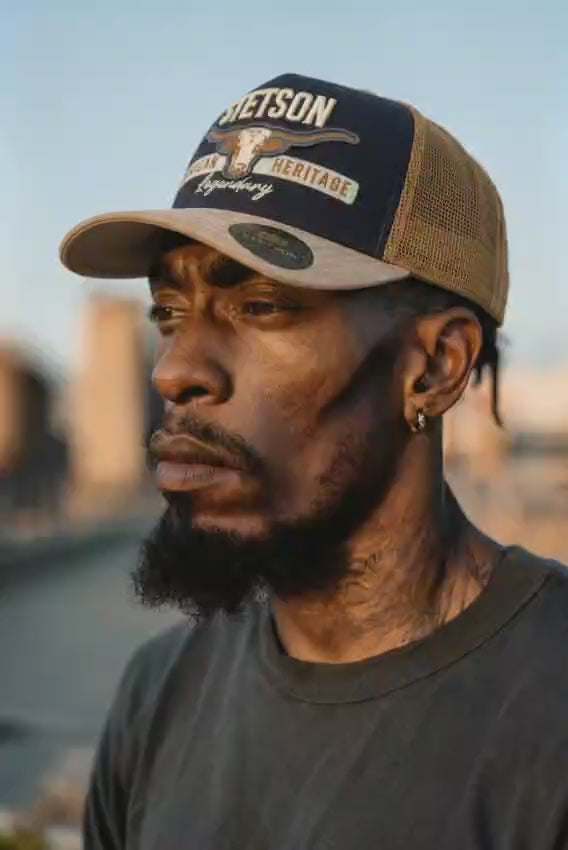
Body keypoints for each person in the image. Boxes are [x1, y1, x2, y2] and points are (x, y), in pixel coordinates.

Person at [60, 74, 568, 850]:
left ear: (435, 367)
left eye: (260, 306)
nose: (174, 371)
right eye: (168, 314)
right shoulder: (159, 694)